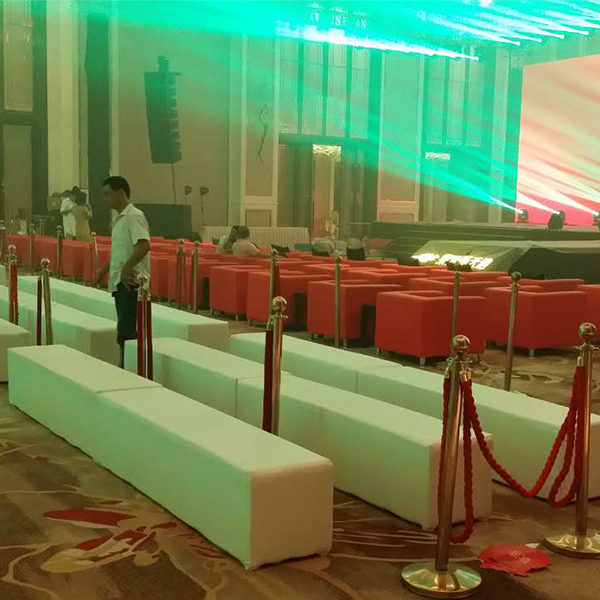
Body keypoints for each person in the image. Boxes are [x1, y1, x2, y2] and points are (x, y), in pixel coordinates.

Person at [93, 176, 150, 367]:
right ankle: (126, 365)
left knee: (127, 332)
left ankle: (130, 368)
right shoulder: (119, 218)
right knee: (124, 330)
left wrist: (126, 270)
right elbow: (122, 253)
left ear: (121, 193)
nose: (105, 199)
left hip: (131, 282)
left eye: (108, 194)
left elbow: (143, 245)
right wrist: (104, 269)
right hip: (121, 281)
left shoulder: (133, 216)